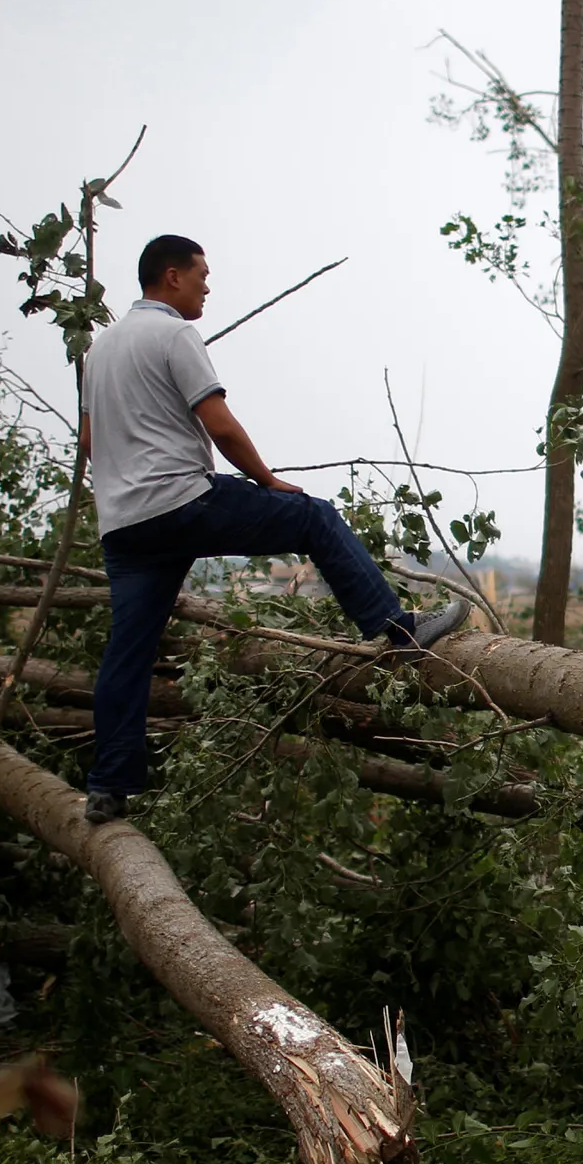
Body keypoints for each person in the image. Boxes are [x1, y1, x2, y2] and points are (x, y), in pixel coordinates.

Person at [78, 233, 467, 824]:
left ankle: (108, 788)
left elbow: (87, 443)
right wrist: (267, 479)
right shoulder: (176, 334)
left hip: (124, 528)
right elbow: (221, 427)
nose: (209, 284)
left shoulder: (101, 349)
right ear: (172, 276)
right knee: (312, 515)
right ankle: (400, 630)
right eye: (202, 273)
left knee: (126, 656)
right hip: (181, 501)